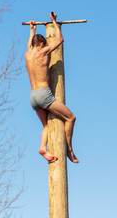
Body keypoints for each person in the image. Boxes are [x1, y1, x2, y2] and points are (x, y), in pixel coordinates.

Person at [25, 12, 79, 163]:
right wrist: (54, 22)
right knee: (70, 118)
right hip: (44, 94)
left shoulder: (27, 55)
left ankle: (43, 147)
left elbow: (29, 45)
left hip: (33, 97)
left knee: (47, 126)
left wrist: (32, 31)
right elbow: (60, 40)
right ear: (42, 44)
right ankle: (69, 150)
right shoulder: (43, 52)